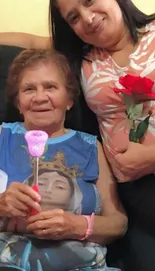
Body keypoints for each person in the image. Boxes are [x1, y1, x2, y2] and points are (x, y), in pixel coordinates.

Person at [0, 0, 155, 233]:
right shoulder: (81, 57)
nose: (88, 18)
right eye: (74, 18)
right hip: (134, 190)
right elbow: (32, 43)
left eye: (90, 1)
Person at [0, 48, 127, 271]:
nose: (40, 96)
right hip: (8, 262)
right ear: (18, 101)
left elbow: (118, 223)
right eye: (28, 89)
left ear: (69, 99)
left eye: (50, 86)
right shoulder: (2, 137)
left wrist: (76, 225)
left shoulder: (91, 147)